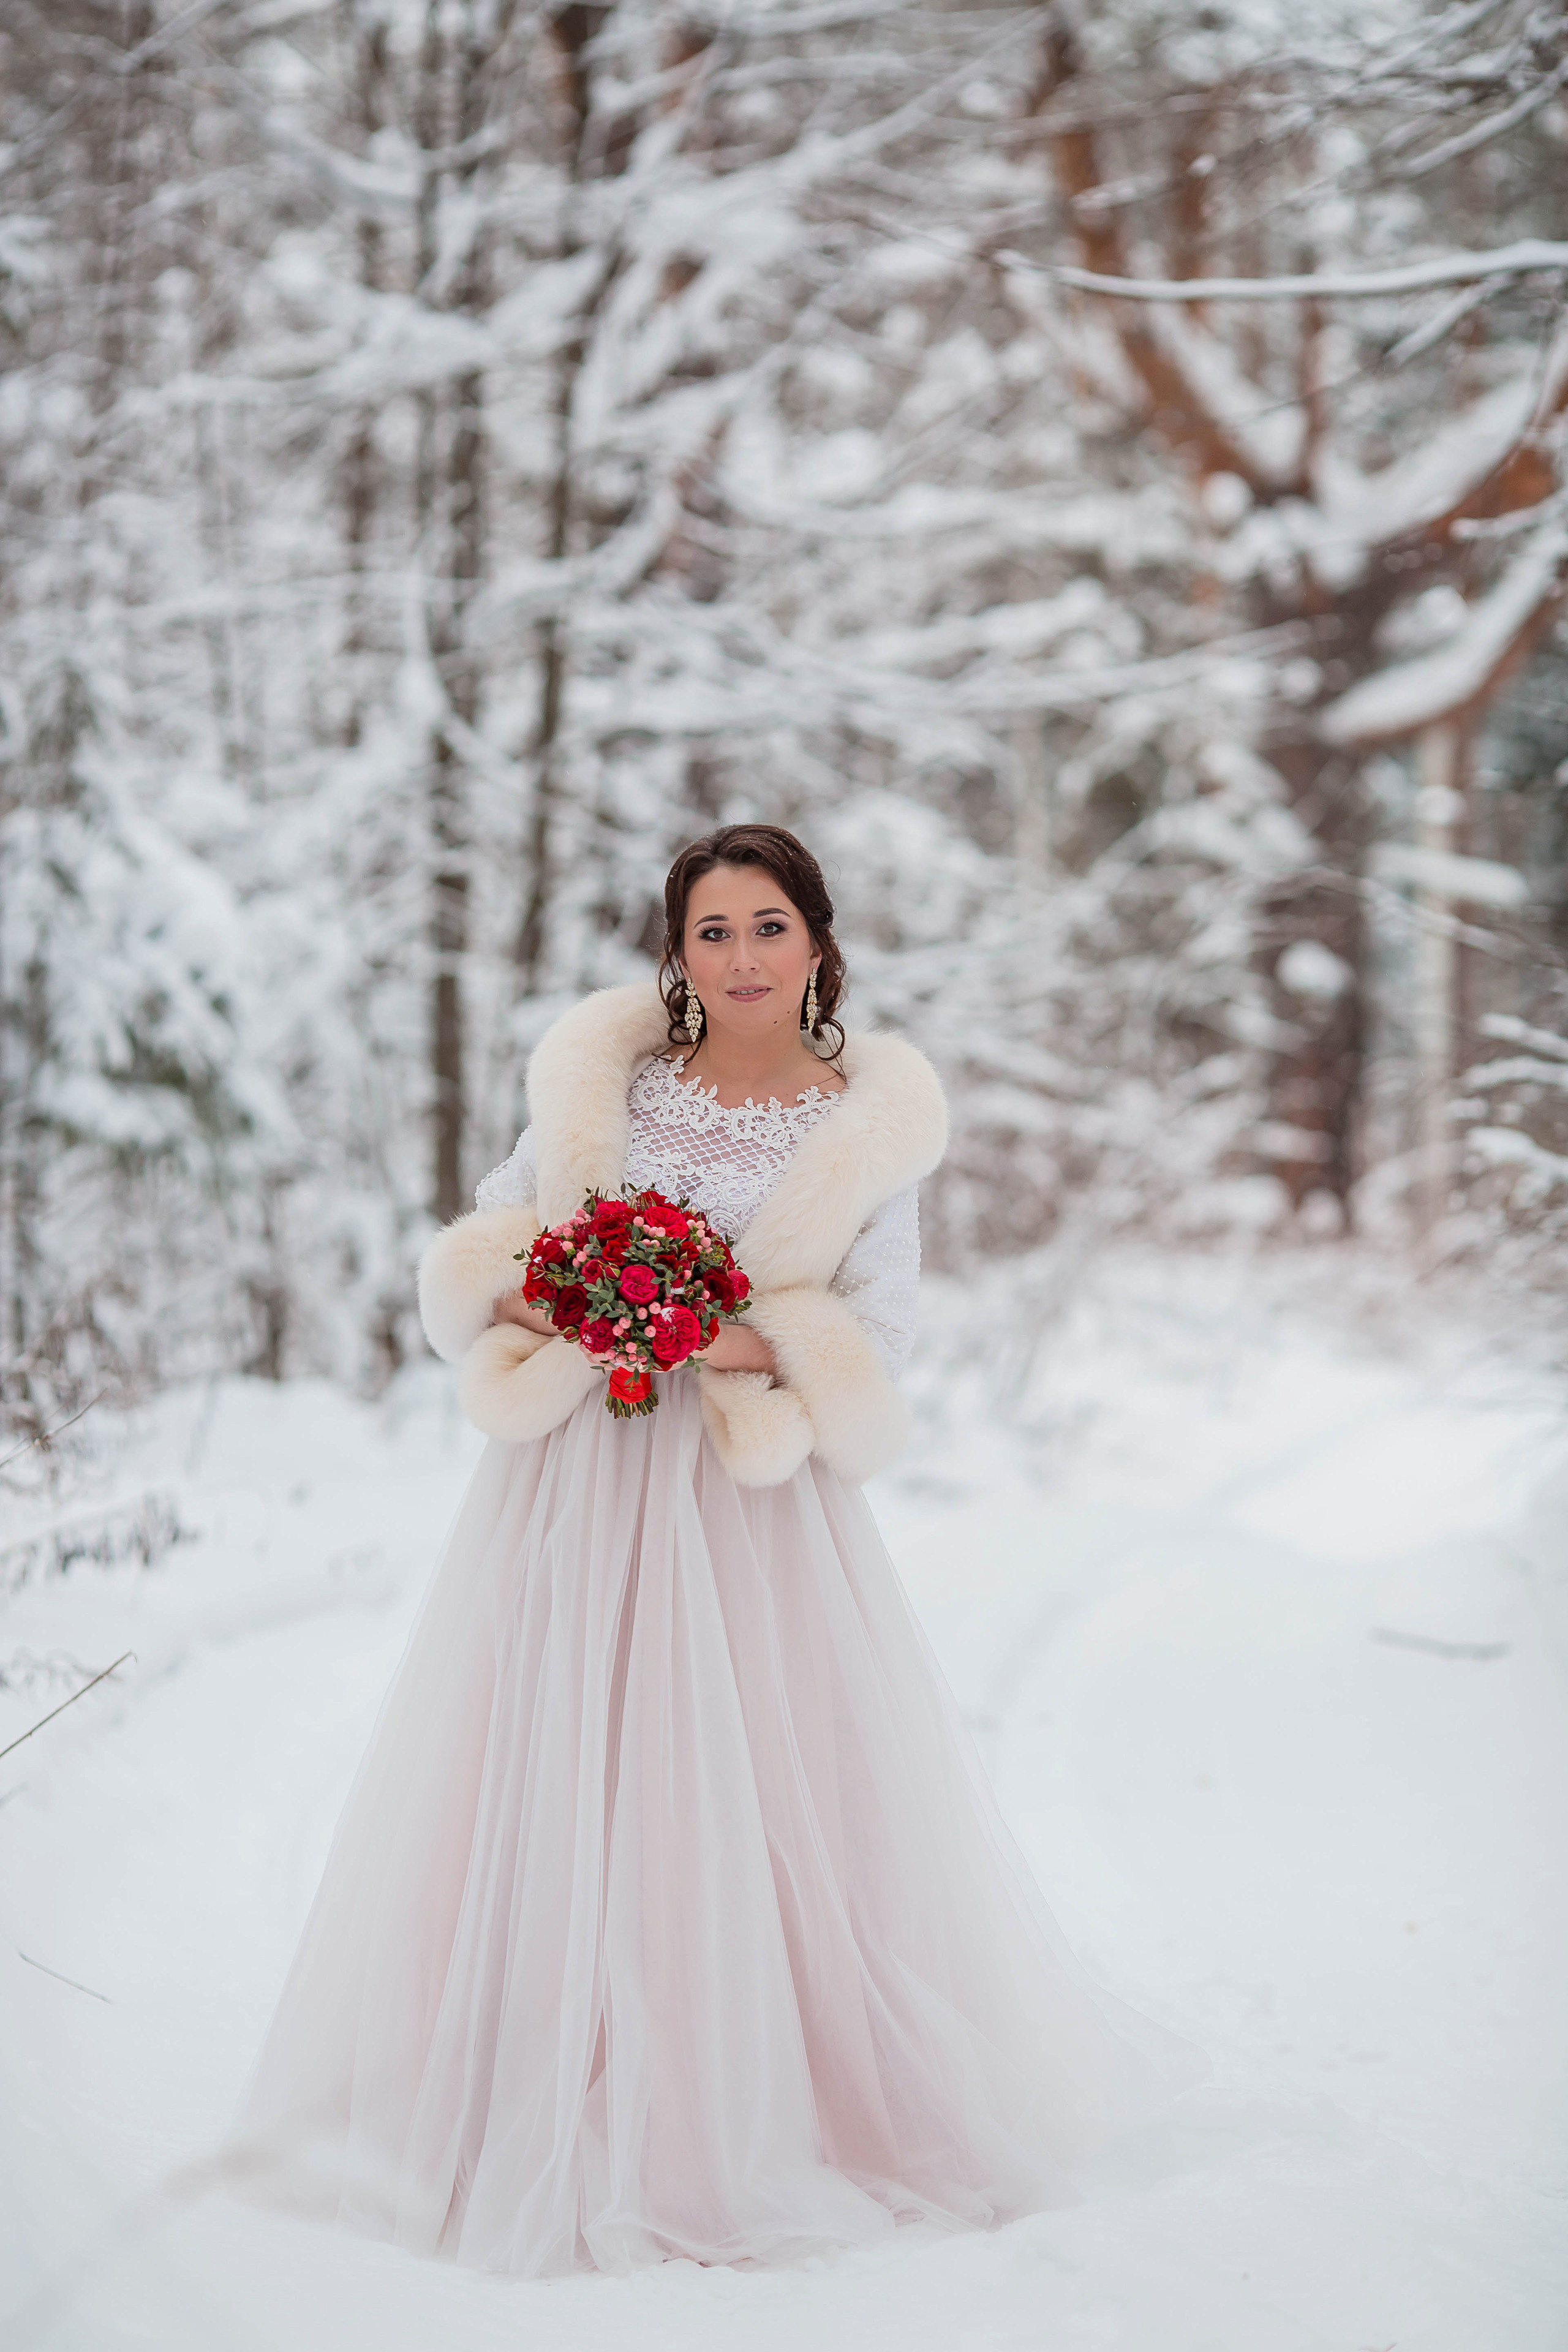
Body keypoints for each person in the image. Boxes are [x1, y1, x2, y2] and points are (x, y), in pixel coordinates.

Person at [232, 823, 1191, 2277]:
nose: (738, 957)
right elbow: (495, 1245)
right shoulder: (602, 1088)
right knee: (554, 1762)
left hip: (748, 1505)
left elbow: (877, 1335)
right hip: (573, 1481)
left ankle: (748, 2102)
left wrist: (703, 1324)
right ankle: (524, 2087)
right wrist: (572, 1298)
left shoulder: (859, 1125)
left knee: (750, 1780)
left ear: (816, 940)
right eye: (709, 932)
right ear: (675, 955)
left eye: (765, 927)